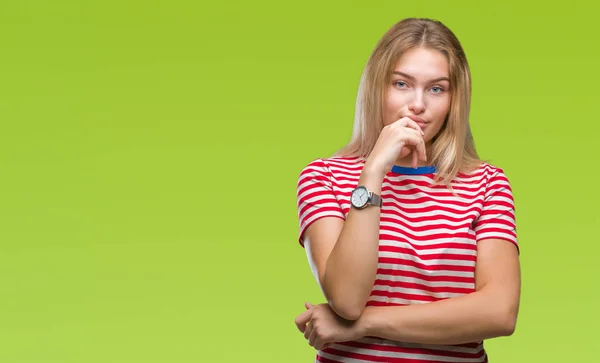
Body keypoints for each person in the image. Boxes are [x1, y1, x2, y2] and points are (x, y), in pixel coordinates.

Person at [293, 17, 521, 363]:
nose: (418, 104)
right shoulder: (324, 177)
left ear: (454, 99)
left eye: (436, 88)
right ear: (376, 87)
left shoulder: (486, 184)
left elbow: (500, 312)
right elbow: (347, 298)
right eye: (402, 84)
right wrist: (372, 174)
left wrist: (363, 325)